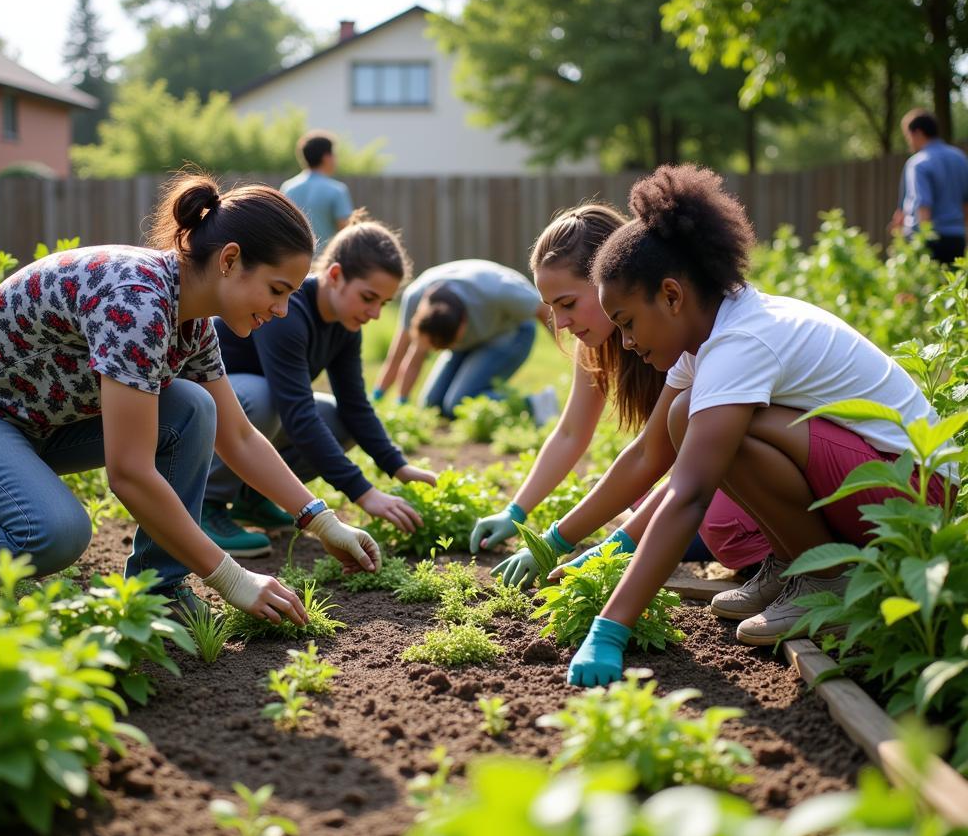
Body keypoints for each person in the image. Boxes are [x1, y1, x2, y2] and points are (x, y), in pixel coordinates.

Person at [537, 165, 954, 686]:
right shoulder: (711, 331)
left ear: (671, 296)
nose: (623, 343)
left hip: (914, 497)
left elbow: (687, 494)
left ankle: (824, 577)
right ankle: (793, 566)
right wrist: (570, 541)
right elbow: (651, 454)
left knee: (709, 428)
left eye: (625, 322)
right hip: (874, 479)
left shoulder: (743, 341)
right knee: (685, 417)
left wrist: (611, 627)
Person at [0, 173, 380, 626]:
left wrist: (322, 520)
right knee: (56, 532)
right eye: (276, 289)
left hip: (34, 423)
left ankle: (161, 589)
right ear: (230, 259)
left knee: (192, 407)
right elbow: (129, 473)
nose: (282, 309)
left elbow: (238, 437)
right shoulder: (137, 299)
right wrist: (230, 578)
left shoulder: (191, 320)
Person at [472, 204, 769, 586]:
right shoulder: (596, 346)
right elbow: (570, 434)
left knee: (700, 521)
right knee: (617, 495)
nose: (560, 324)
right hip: (690, 483)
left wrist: (606, 547)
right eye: (551, 308)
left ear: (606, 279)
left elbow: (682, 468)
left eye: (568, 304)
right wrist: (516, 510)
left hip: (717, 479)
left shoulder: (680, 334)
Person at [202, 216, 437, 555]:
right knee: (265, 397)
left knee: (339, 417)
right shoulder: (287, 312)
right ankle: (205, 505)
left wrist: (397, 465)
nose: (374, 313)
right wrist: (363, 493)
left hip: (254, 417)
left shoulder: (344, 326)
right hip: (204, 409)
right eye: (368, 297)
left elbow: (356, 405)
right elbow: (297, 414)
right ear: (336, 275)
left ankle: (252, 499)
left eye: (383, 304)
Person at [373, 259, 549, 418]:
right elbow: (403, 357)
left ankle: (536, 403)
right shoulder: (415, 300)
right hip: (473, 339)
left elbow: (543, 310)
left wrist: (569, 354)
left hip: (512, 333)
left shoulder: (497, 291)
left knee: (458, 402)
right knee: (431, 404)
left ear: (464, 325)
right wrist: (386, 398)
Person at [889, 109, 968, 264]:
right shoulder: (960, 158)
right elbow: (966, 202)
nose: (909, 142)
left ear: (917, 133)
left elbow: (923, 205)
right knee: (953, 286)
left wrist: (922, 243)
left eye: (908, 136)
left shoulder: (918, 163)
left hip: (929, 243)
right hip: (956, 239)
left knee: (928, 288)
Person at [282, 131, 355, 255]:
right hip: (326, 262)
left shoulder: (288, 188)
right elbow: (346, 233)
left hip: (296, 263)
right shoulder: (337, 190)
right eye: (334, 154)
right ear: (326, 157)